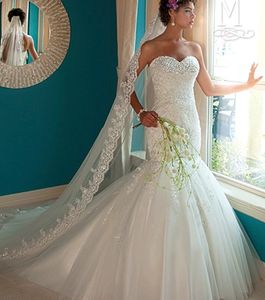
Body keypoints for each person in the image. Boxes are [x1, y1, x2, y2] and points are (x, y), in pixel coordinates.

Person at [0, 1, 264, 299]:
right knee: (161, 182)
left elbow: (210, 87)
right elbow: (125, 83)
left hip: (188, 125)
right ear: (172, 13)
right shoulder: (151, 47)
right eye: (188, 10)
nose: (194, 15)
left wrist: (245, 84)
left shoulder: (196, 49)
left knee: (190, 182)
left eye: (193, 10)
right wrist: (141, 113)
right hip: (159, 124)